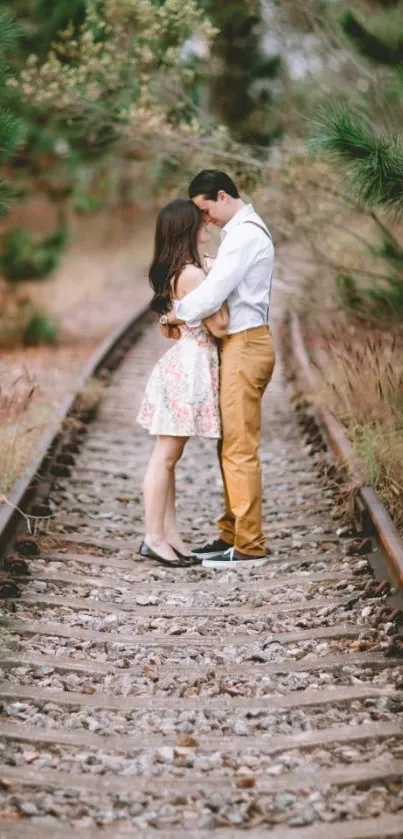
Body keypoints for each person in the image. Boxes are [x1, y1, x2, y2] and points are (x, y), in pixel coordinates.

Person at [165, 170, 275, 569]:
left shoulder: (245, 235)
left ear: (223, 196)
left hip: (246, 345)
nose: (204, 218)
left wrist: (176, 315)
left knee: (239, 447)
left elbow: (213, 294)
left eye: (205, 208)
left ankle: (248, 545)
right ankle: (232, 532)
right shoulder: (239, 233)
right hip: (240, 346)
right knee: (228, 442)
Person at [137, 198, 228, 568]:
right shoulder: (192, 273)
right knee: (166, 457)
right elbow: (219, 325)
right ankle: (153, 537)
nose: (207, 223)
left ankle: (169, 535)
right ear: (188, 229)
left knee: (169, 458)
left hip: (184, 362)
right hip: (188, 367)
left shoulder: (186, 269)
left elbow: (173, 327)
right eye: (200, 220)